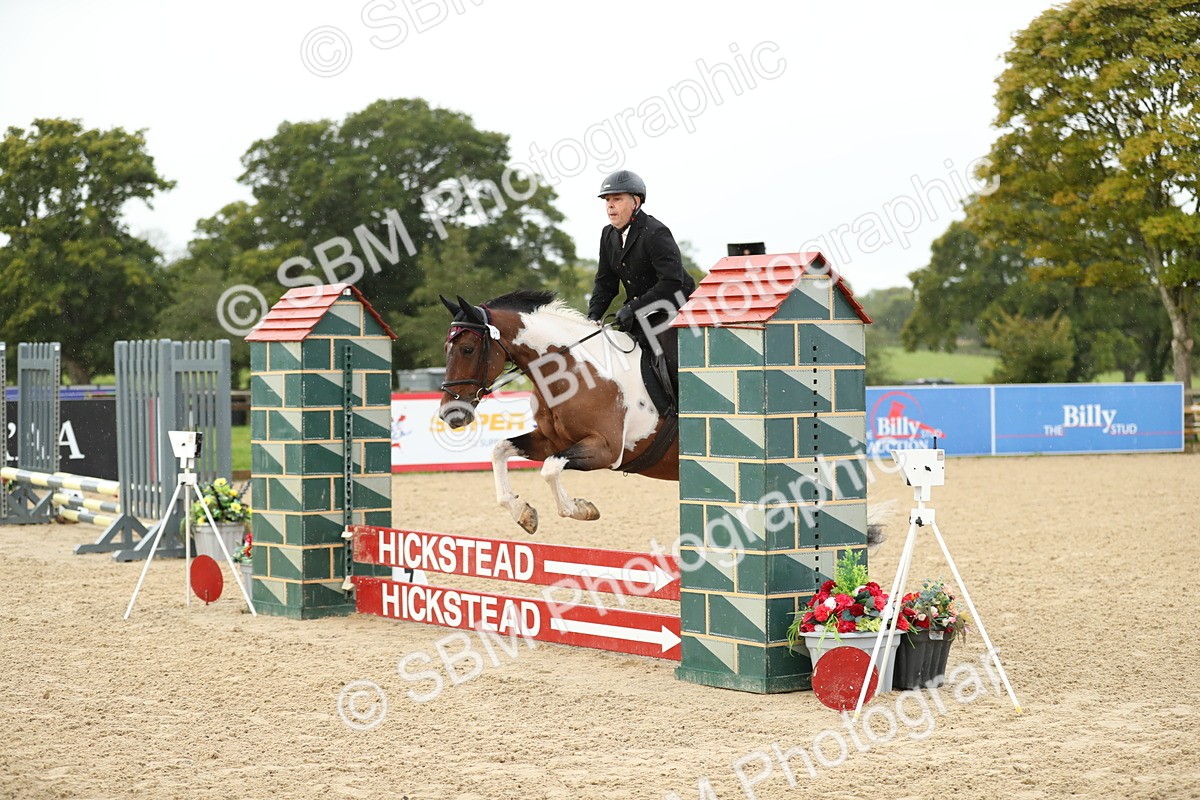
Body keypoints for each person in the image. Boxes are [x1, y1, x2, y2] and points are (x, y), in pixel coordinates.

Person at [586, 170, 695, 403]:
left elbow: (671, 282)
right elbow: (605, 283)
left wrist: (634, 307)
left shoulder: (656, 232)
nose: (610, 206)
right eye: (607, 200)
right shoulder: (608, 235)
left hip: (674, 311)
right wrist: (592, 317)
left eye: (617, 199)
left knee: (671, 362)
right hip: (640, 313)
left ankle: (684, 411)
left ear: (635, 202)